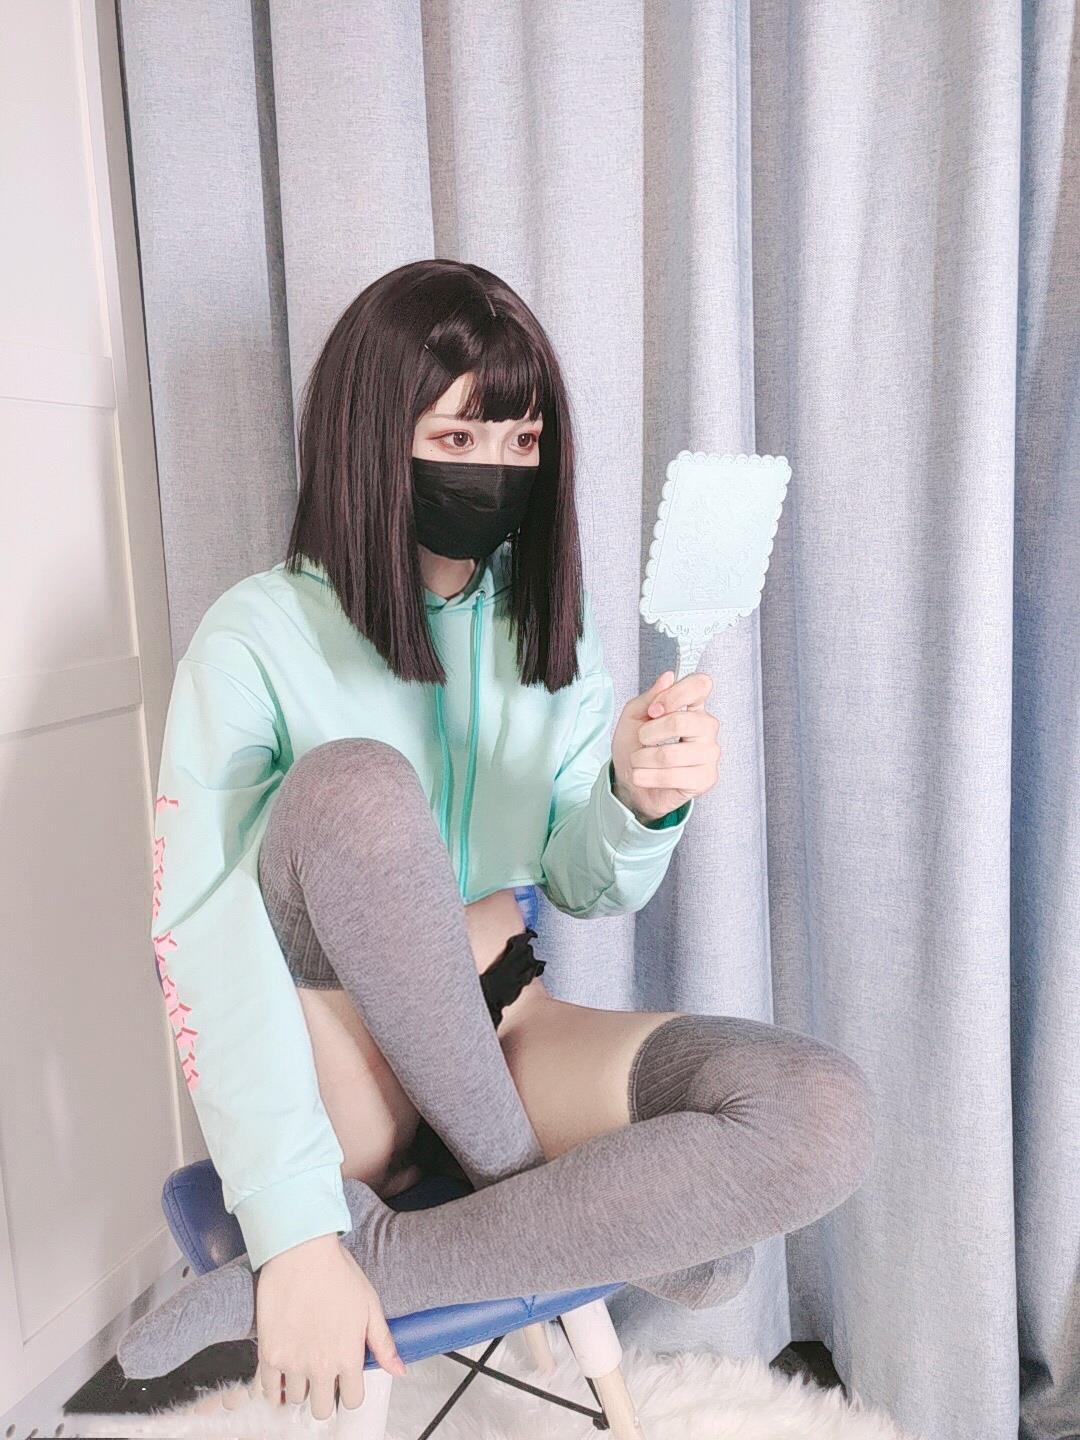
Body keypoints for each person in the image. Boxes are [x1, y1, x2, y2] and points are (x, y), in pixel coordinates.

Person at [119, 259, 877, 1422]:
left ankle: (396, 1253)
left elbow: (583, 882)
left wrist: (636, 801)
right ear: (372, 439)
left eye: (523, 442)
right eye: (459, 438)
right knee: (356, 792)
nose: (498, 470)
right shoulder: (257, 636)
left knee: (819, 1112)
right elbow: (204, 940)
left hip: (504, 1018)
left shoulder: (545, 626)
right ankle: (535, 1199)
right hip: (343, 1067)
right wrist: (291, 1224)